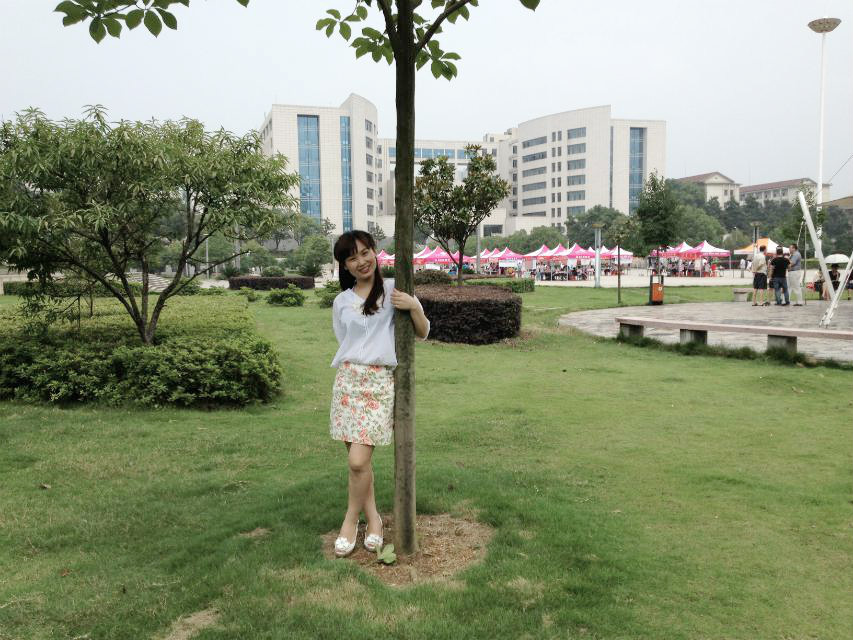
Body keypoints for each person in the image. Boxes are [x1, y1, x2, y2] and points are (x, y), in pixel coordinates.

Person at [329, 230, 430, 557]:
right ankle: (374, 519)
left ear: (375, 251)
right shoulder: (341, 302)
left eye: (364, 252)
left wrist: (413, 306)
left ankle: (350, 521)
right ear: (345, 265)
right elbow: (344, 341)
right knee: (359, 465)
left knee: (358, 461)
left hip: (378, 384)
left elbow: (422, 332)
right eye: (352, 257)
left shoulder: (392, 290)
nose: (361, 261)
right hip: (347, 383)